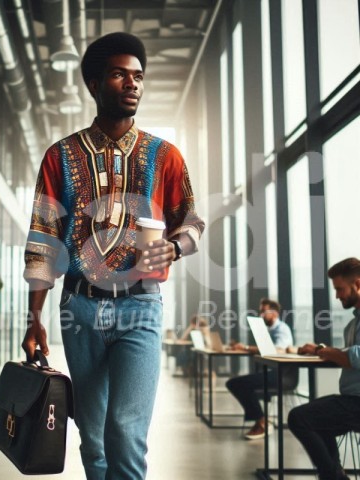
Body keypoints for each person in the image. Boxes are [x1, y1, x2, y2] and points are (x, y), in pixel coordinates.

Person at [21, 32, 205, 480]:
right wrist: (34, 319)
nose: (132, 84)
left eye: (139, 77)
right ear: (94, 83)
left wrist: (174, 246)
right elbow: (44, 240)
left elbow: (193, 224)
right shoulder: (60, 157)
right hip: (79, 306)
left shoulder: (166, 157)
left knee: (125, 429)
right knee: (94, 436)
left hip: (140, 305)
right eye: (120, 74)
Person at [288, 257, 360, 480]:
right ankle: (335, 474)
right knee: (315, 418)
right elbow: (349, 353)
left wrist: (323, 351)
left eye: (340, 289)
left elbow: (355, 357)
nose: (337, 295)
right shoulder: (353, 323)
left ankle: (332, 477)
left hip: (356, 402)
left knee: (299, 418)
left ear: (358, 284)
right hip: (351, 399)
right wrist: (323, 349)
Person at [226, 298, 293, 440]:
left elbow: (278, 350)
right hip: (270, 372)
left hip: (281, 375)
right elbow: (265, 350)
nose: (261, 315)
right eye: (260, 311)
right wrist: (243, 347)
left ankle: (262, 422)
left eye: (263, 312)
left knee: (237, 384)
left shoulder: (282, 329)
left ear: (274, 313)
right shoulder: (268, 330)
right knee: (236, 383)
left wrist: (246, 347)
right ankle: (261, 421)